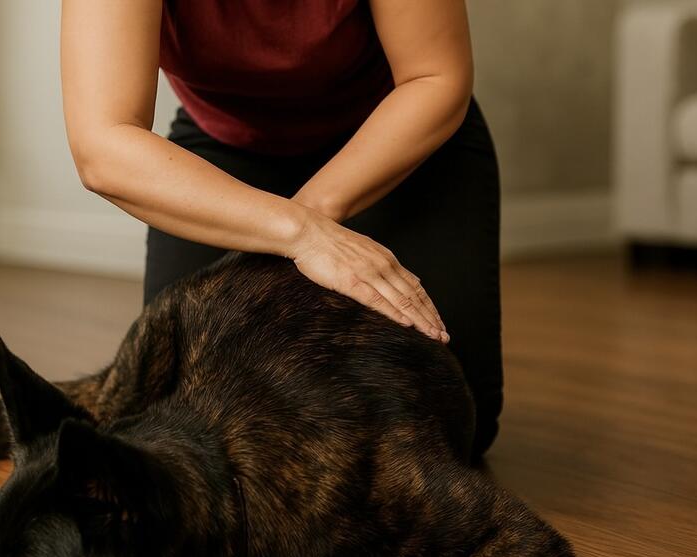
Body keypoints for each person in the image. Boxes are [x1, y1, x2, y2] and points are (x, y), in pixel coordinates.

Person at [60, 0, 503, 458]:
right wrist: (300, 235)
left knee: (444, 424)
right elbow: (103, 145)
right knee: (170, 417)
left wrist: (311, 222)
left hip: (391, 137)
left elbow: (435, 77)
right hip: (225, 143)